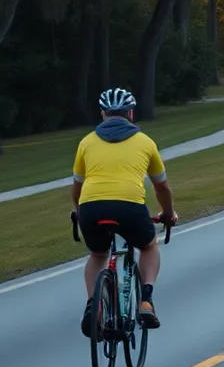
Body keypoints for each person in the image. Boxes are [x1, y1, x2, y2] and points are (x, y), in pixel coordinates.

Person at [71, 87, 178, 337]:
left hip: (91, 206)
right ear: (131, 113)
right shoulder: (145, 142)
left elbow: (76, 188)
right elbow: (161, 186)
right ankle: (146, 301)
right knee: (149, 247)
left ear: (102, 114)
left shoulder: (86, 142)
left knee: (98, 254)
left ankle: (93, 307)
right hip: (129, 206)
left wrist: (78, 211)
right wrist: (167, 213)